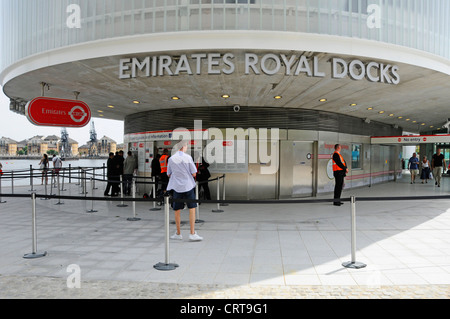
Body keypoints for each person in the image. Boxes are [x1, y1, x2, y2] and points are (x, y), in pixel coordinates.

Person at [167, 141, 202, 241]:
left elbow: (168, 174)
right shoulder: (188, 157)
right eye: (186, 146)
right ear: (183, 147)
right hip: (188, 186)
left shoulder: (171, 159)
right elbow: (194, 173)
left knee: (177, 210)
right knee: (192, 208)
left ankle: (178, 233)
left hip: (177, 187)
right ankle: (192, 233)